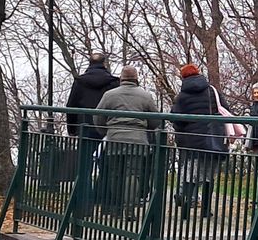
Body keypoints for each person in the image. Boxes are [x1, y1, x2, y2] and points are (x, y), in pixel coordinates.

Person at [95, 65, 158, 216]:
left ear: (121, 78)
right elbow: (156, 120)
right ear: (136, 78)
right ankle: (129, 209)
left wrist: (106, 131)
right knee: (133, 174)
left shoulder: (109, 95)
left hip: (114, 138)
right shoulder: (146, 96)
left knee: (115, 174)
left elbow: (97, 117)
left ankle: (116, 209)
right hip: (137, 139)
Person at [168, 63, 226, 216]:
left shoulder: (182, 96)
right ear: (199, 73)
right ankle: (206, 210)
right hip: (213, 139)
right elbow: (224, 109)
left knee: (190, 175)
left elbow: (177, 119)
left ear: (183, 77)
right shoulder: (212, 91)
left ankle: (186, 209)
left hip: (192, 141)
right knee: (209, 176)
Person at [63, 52, 117, 138]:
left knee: (86, 151)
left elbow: (71, 105)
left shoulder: (79, 82)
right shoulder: (113, 82)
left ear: (90, 64)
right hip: (107, 128)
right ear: (104, 64)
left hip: (84, 128)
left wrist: (72, 129)